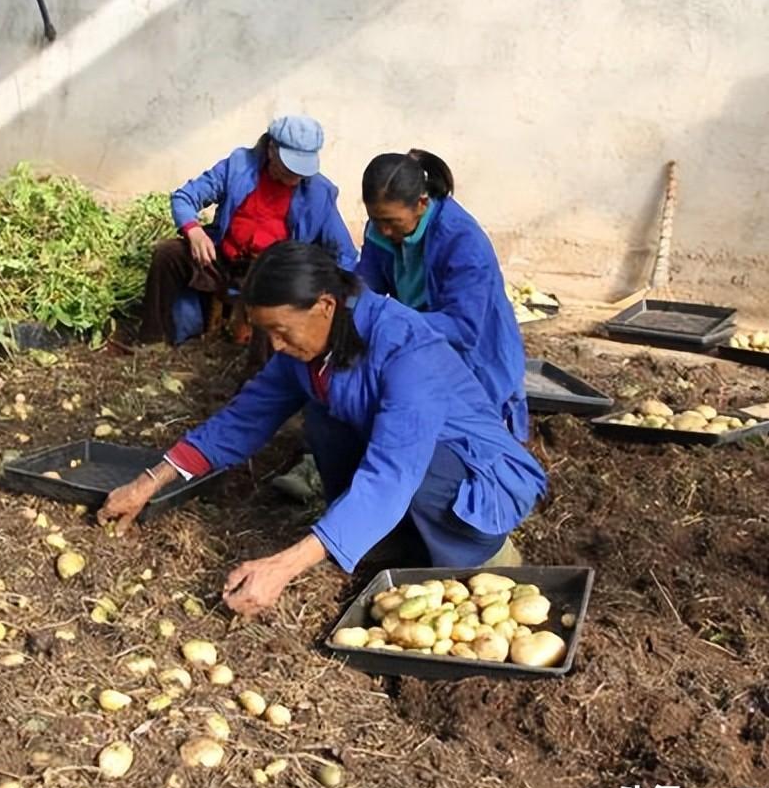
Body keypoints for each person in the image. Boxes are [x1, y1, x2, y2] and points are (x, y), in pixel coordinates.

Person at [101, 241, 547, 617]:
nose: (275, 345)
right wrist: (147, 484)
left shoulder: (408, 349)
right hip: (405, 475)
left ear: (325, 306)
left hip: (478, 479)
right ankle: (387, 540)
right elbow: (242, 420)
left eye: (280, 331)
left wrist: (284, 565)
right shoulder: (311, 352)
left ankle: (488, 558)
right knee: (324, 412)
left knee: (419, 460)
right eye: (266, 333)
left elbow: (391, 475)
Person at [137, 115, 357, 346]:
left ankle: (257, 371)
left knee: (277, 293)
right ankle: (152, 340)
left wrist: (341, 299)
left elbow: (345, 253)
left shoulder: (319, 193)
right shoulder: (239, 165)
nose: (295, 177)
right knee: (168, 254)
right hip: (223, 258)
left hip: (271, 273)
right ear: (272, 150)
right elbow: (184, 197)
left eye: (301, 171)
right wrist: (194, 231)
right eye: (290, 168)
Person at [358, 149, 529, 441]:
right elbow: (365, 287)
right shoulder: (380, 230)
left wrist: (390, 319)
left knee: (460, 443)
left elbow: (463, 329)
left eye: (392, 221)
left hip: (475, 362)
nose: (384, 229)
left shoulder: (463, 241)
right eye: (376, 219)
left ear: (422, 204)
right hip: (419, 341)